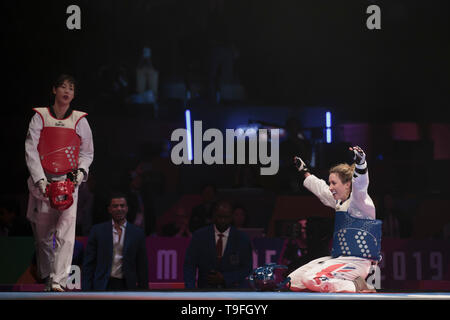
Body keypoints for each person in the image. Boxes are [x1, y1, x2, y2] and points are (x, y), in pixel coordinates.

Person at [25, 74, 94, 292]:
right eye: (63, 87)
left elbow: (87, 152)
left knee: (65, 233)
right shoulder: (40, 117)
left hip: (68, 183)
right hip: (43, 183)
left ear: (74, 94)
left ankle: (59, 280)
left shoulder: (80, 120)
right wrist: (40, 180)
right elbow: (31, 150)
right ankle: (47, 276)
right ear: (54, 90)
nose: (67, 91)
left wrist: (80, 174)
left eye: (71, 88)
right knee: (44, 237)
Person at [288, 146, 381, 293]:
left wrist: (361, 162)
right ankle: (343, 285)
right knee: (292, 281)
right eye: (330, 182)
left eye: (334, 183)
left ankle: (359, 285)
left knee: (312, 279)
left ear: (347, 184)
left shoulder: (360, 201)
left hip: (358, 262)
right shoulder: (340, 201)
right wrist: (305, 171)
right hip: (340, 258)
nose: (330, 187)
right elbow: (321, 190)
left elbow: (361, 185)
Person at [82, 193, 149, 291]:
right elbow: (89, 263)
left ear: (126, 208)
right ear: (109, 209)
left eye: (122, 206)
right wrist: (86, 290)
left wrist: (144, 290)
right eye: (115, 206)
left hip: (127, 285)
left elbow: (142, 265)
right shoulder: (98, 231)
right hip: (103, 284)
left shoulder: (137, 233)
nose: (119, 209)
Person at [183, 199, 253, 289]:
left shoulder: (242, 238)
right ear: (213, 216)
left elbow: (247, 268)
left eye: (226, 217)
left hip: (233, 291)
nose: (222, 220)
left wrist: (225, 278)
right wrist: (190, 289)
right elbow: (190, 264)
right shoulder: (200, 236)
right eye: (219, 217)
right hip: (205, 290)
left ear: (231, 217)